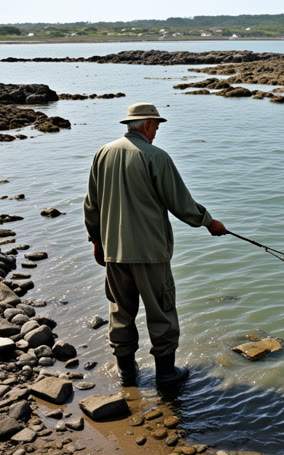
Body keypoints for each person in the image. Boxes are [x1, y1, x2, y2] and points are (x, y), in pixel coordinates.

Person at [83, 102, 226, 388]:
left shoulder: (103, 153)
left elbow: (91, 205)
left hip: (114, 253)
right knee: (161, 312)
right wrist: (209, 222)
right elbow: (181, 203)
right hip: (150, 253)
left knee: (120, 312)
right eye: (156, 127)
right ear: (147, 125)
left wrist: (97, 241)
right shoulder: (156, 156)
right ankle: (165, 375)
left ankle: (127, 373)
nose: (157, 132)